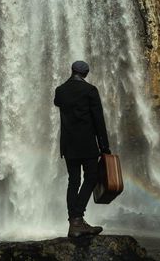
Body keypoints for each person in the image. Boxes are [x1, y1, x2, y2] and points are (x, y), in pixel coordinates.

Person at [54, 60, 111, 237]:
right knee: (92, 177)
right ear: (85, 74)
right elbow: (98, 119)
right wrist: (104, 146)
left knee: (73, 181)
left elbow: (57, 103)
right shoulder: (90, 91)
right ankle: (78, 218)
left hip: (68, 144)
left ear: (72, 71)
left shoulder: (60, 90)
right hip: (86, 144)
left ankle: (74, 223)